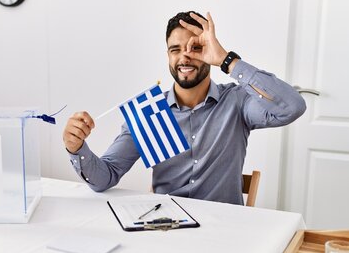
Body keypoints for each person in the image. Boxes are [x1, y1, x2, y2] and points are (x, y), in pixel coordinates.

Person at [62, 11, 306, 205]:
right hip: (165, 228)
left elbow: (291, 107)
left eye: (196, 48)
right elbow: (104, 178)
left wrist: (226, 59)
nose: (184, 57)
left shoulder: (237, 102)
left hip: (225, 232)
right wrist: (77, 148)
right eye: (175, 50)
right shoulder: (150, 111)